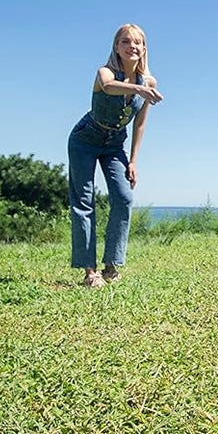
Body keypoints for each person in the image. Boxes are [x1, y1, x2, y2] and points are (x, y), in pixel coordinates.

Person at [68, 23, 163, 287]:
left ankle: (111, 266)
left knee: (123, 197)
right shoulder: (105, 72)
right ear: (117, 47)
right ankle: (90, 272)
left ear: (144, 48)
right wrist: (137, 90)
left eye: (137, 42)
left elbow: (139, 123)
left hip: (115, 144)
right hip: (85, 139)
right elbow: (108, 87)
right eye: (125, 42)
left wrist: (133, 161)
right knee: (83, 201)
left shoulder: (149, 81)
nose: (132, 46)